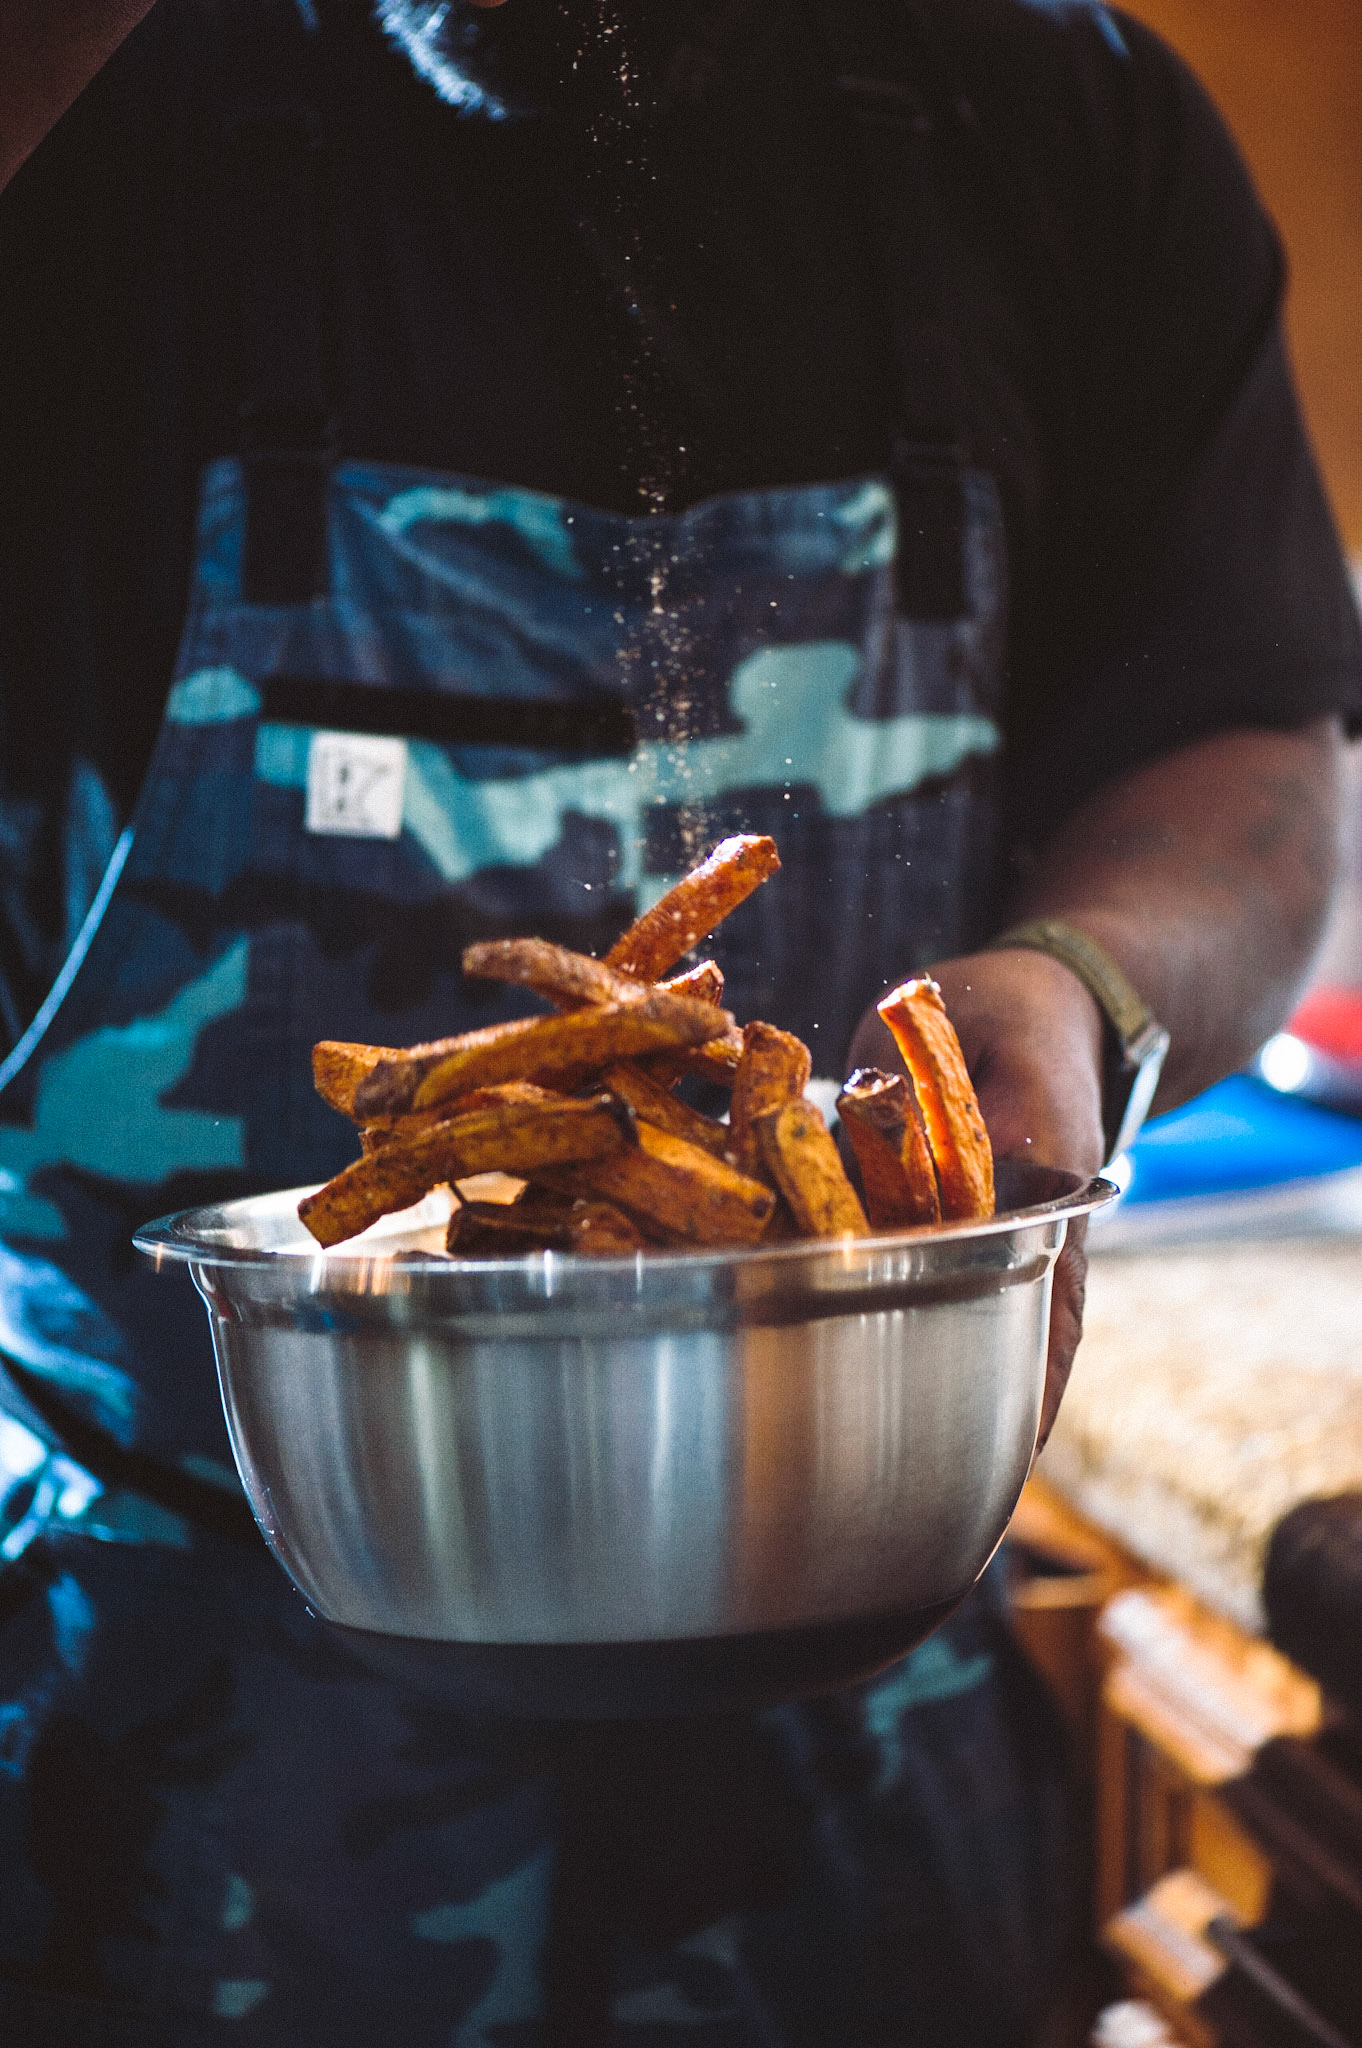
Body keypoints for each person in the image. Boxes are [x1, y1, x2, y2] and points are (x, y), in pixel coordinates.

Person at [0, 0, 1357, 2041]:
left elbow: (1253, 748)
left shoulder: (1050, 107)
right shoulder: (103, 102)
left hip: (874, 1763)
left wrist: (1086, 998)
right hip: (175, 1757)